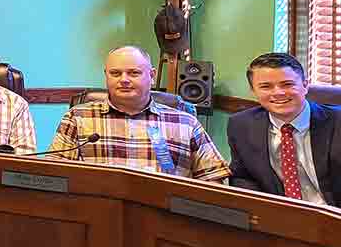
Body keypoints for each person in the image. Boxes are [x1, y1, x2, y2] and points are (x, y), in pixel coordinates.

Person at [46, 46, 231, 182]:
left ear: (151, 75)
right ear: (106, 75)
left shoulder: (185, 123)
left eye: (133, 73)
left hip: (166, 220)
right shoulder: (77, 118)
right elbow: (55, 176)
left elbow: (213, 179)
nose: (124, 80)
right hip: (98, 216)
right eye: (115, 73)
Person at [228, 53, 341, 206]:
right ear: (253, 91)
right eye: (266, 86)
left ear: (305, 85)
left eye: (287, 84)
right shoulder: (240, 125)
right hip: (278, 218)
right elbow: (242, 177)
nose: (278, 93)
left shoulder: (337, 122)